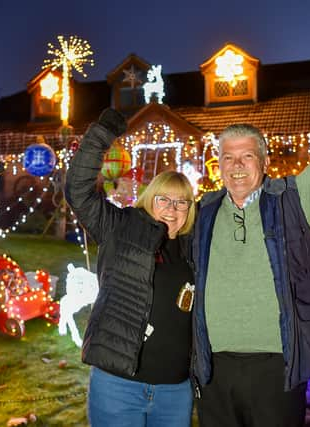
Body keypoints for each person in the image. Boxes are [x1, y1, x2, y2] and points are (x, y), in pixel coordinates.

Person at [191, 47, 310, 427]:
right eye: (228, 158)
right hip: (213, 368)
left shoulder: (294, 201)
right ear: (219, 165)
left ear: (264, 163)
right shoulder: (202, 212)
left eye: (247, 157)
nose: (237, 166)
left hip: (276, 367)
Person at [65, 108, 197, 427]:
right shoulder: (119, 227)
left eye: (181, 202)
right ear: (149, 199)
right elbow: (78, 192)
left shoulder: (196, 246)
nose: (172, 208)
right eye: (163, 199)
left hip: (175, 391)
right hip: (119, 385)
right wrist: (101, 136)